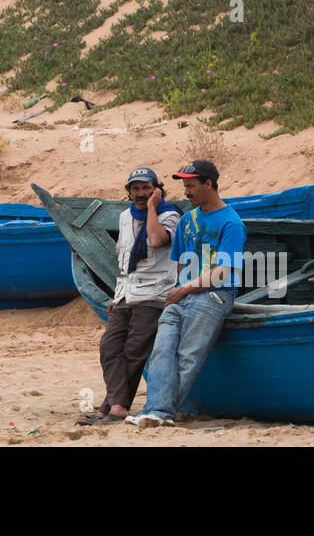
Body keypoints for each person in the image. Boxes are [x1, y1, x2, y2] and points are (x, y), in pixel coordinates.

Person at [127, 160, 245, 428]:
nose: (186, 192)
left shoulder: (231, 222)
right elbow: (180, 263)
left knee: (188, 356)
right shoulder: (187, 220)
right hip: (181, 295)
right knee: (161, 352)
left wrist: (185, 289)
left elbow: (223, 271)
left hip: (214, 296)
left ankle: (159, 412)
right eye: (184, 186)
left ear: (209, 184)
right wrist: (181, 289)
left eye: (191, 186)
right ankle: (157, 411)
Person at [79, 167, 182, 424]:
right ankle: (115, 405)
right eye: (135, 189)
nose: (140, 193)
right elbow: (123, 257)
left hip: (154, 293)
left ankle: (113, 409)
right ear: (129, 192)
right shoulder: (125, 217)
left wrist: (151, 209)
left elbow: (157, 240)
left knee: (134, 352)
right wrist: (117, 295)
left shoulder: (169, 216)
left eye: (146, 188)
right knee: (109, 346)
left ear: (156, 189)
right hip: (126, 293)